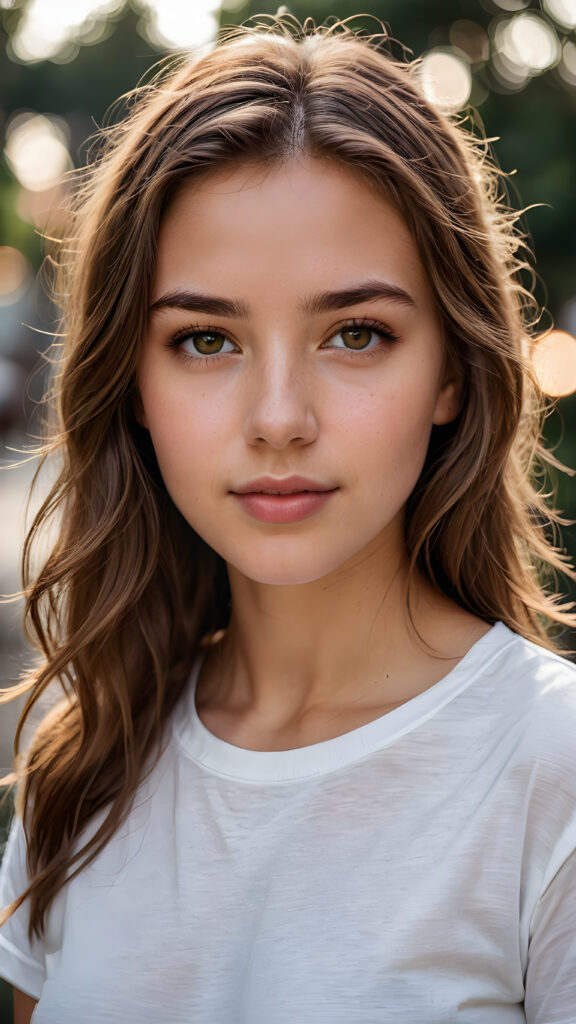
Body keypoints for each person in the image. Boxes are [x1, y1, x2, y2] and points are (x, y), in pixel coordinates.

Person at [1, 14, 575, 1023]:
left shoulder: (551, 768)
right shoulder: (87, 756)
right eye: (205, 339)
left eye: (356, 333)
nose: (278, 419)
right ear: (130, 379)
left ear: (451, 369)